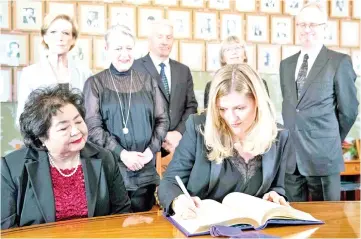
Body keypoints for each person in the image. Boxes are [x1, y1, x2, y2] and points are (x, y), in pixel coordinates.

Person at [158, 64, 293, 218]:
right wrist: (178, 201)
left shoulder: (279, 137)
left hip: (254, 230)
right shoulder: (198, 128)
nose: (231, 118)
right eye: (222, 109)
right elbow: (169, 182)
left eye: (240, 108)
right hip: (203, 226)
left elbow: (280, 187)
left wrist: (275, 195)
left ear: (257, 103)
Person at [1, 86, 131, 229]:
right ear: (41, 137)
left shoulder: (105, 158)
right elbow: (6, 229)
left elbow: (121, 215)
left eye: (78, 122)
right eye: (64, 128)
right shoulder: (12, 168)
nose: (76, 131)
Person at [83, 25, 169, 212]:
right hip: (112, 168)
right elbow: (93, 127)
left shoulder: (148, 81)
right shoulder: (95, 83)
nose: (124, 54)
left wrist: (150, 151)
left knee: (145, 225)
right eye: (118, 48)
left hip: (145, 167)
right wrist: (122, 153)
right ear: (106, 49)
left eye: (129, 48)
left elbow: (162, 120)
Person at [280, 3, 358, 202]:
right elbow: (292, 108)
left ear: (324, 28)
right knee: (292, 221)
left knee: (329, 222)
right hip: (291, 160)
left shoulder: (339, 62)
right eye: (302, 24)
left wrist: (330, 138)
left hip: (323, 157)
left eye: (313, 24)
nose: (307, 29)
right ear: (296, 27)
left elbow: (348, 111)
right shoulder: (285, 65)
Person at [133, 19, 198, 155]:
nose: (164, 41)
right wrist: (162, 135)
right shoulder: (135, 68)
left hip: (179, 146)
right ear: (149, 40)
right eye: (159, 37)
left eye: (169, 37)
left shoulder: (183, 70)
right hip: (145, 148)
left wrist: (178, 133)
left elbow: (191, 106)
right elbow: (133, 110)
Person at [16, 13, 92, 127]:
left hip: (78, 138)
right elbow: (21, 119)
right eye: (53, 32)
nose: (60, 38)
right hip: (42, 139)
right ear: (45, 37)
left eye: (66, 33)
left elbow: (91, 114)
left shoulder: (85, 73)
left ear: (73, 39)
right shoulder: (30, 73)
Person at [204, 36, 269, 109]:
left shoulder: (259, 83)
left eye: (237, 48)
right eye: (228, 49)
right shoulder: (212, 85)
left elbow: (266, 111)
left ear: (245, 55)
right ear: (222, 58)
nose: (234, 52)